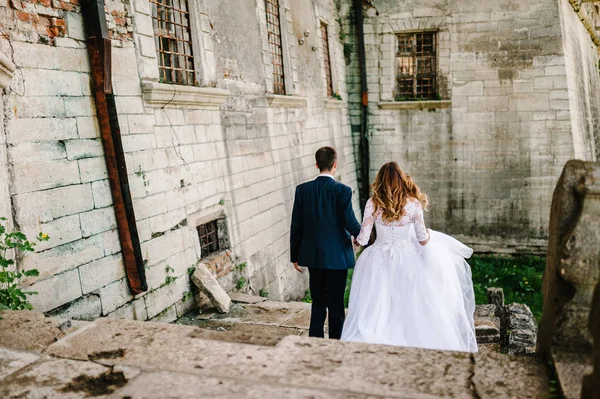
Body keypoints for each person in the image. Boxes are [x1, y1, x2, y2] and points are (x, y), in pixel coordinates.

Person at [341, 162, 478, 352]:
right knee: (407, 298)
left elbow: (363, 239)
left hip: (378, 258)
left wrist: (354, 240)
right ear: (401, 179)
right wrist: (430, 235)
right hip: (407, 258)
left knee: (379, 298)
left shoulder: (372, 203)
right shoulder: (413, 203)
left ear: (379, 181)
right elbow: (422, 239)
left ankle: (380, 330)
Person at [290, 146, 361, 339]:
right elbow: (350, 221)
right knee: (336, 301)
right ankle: (336, 341)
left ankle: (315, 338)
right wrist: (362, 237)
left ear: (316, 164)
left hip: (314, 255)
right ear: (335, 165)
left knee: (318, 300)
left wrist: (294, 256)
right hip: (338, 256)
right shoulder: (343, 191)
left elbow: (296, 225)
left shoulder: (303, 190)